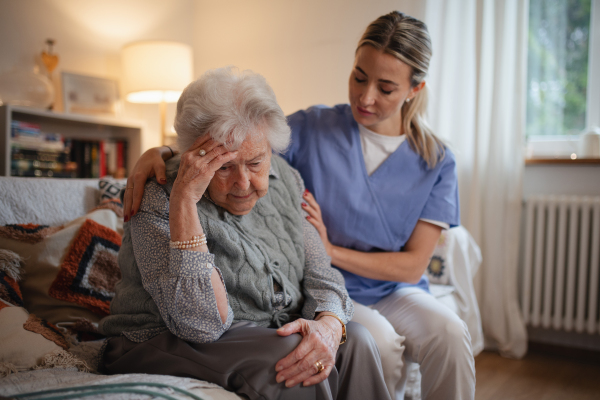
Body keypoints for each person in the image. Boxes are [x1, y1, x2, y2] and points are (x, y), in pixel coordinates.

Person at [122, 12, 475, 400]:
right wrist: (164, 151)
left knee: (449, 332)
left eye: (386, 87)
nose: (366, 96)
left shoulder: (435, 159)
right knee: (372, 342)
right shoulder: (315, 126)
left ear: (414, 88)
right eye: (359, 77)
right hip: (254, 313)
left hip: (390, 287)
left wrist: (329, 292)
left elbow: (409, 265)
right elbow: (237, 130)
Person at [99, 67, 391, 400]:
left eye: (255, 163)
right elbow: (200, 323)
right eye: (223, 166)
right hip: (159, 338)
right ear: (192, 154)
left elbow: (321, 273)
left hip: (261, 332)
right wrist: (185, 200)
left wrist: (329, 323)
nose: (243, 183)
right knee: (294, 361)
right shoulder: (159, 193)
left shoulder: (287, 179)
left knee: (357, 341)